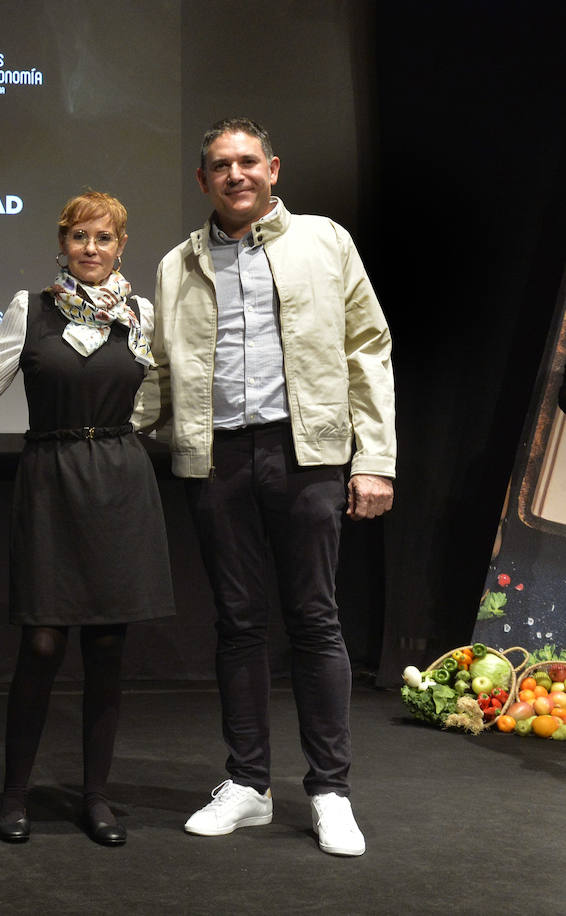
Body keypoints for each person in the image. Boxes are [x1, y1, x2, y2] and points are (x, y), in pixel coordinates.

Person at [137, 117, 395, 857]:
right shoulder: (176, 264)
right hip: (216, 458)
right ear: (202, 180)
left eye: (248, 161)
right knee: (238, 623)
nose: (236, 174)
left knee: (315, 619)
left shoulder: (324, 240)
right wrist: (95, 418)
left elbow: (367, 348)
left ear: (273, 168)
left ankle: (330, 791)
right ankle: (249, 786)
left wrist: (374, 458)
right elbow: (158, 371)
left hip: (305, 453)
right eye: (221, 165)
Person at [0, 191, 174, 847]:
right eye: (79, 238)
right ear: (61, 243)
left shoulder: (141, 313)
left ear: (121, 245)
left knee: (106, 649)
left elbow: (154, 398)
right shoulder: (29, 309)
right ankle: (14, 797)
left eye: (103, 238)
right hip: (50, 479)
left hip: (120, 483)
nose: (91, 249)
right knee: (41, 646)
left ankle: (97, 798)